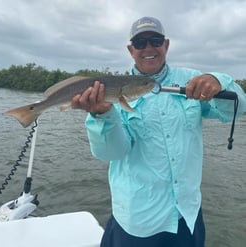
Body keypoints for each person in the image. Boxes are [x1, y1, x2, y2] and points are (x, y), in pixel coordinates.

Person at [71, 16, 246, 247]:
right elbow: (112, 153)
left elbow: (237, 108)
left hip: (187, 214)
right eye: (140, 43)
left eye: (156, 40)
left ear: (167, 45)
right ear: (130, 50)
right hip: (138, 219)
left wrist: (219, 81)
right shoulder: (109, 90)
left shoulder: (191, 79)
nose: (149, 48)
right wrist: (102, 114)